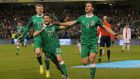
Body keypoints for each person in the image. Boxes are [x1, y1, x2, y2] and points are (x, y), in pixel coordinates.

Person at [55, 2, 119, 79]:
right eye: (86, 6)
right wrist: (59, 24)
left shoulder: (96, 19)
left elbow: (105, 27)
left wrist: (114, 33)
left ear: (92, 8)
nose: (86, 7)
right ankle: (89, 55)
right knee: (85, 62)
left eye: (88, 6)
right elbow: (72, 23)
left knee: (92, 59)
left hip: (93, 42)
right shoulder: (81, 18)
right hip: (84, 43)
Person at [33, 13, 69, 79]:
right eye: (44, 18)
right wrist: (42, 30)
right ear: (43, 19)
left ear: (50, 19)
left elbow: (64, 27)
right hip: (47, 49)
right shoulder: (40, 27)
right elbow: (34, 34)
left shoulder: (54, 26)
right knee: (57, 65)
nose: (46, 19)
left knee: (59, 59)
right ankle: (62, 72)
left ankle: (66, 76)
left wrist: (66, 22)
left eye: (47, 18)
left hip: (56, 47)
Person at [20, 4, 44, 75]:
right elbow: (28, 27)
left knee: (49, 55)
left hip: (46, 37)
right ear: (36, 10)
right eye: (38, 9)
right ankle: (41, 65)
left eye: (41, 9)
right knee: (37, 53)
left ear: (43, 9)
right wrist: (23, 35)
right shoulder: (33, 18)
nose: (39, 10)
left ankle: (49, 69)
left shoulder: (46, 17)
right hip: (37, 37)